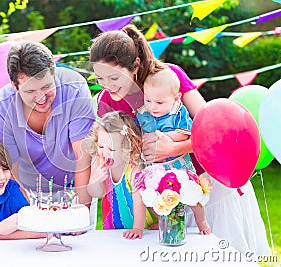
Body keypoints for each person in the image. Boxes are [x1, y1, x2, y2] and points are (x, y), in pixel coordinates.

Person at [89, 24, 270, 255]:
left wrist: (176, 146)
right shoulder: (108, 101)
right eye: (100, 78)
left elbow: (216, 132)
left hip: (205, 186)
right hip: (164, 195)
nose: (106, 85)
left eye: (113, 77)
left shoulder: (169, 77)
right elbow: (121, 157)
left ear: (134, 65)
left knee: (219, 253)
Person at [0, 40, 94, 206]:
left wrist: (81, 211)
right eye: (30, 91)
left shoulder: (74, 88)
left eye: (46, 87)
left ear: (54, 74)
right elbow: (7, 169)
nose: (41, 98)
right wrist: (28, 210)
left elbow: (83, 156)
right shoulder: (3, 106)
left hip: (76, 188)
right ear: (15, 87)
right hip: (27, 190)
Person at [136, 68, 210, 235]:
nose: (152, 106)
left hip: (178, 164)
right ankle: (163, 221)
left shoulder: (178, 112)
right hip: (155, 167)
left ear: (176, 98)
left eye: (159, 103)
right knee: (156, 196)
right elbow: (140, 134)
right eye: (148, 100)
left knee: (192, 194)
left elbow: (184, 134)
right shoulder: (144, 113)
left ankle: (201, 222)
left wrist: (161, 137)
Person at [85, 111, 149, 239]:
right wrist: (96, 180)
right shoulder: (98, 162)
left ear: (127, 147)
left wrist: (137, 228)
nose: (104, 152)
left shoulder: (133, 168)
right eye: (101, 146)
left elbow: (139, 201)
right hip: (109, 228)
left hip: (139, 226)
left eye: (111, 149)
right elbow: (94, 193)